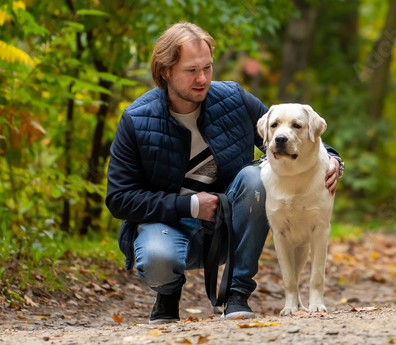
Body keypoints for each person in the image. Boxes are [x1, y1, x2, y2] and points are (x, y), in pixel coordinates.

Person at [105, 22, 344, 324]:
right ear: (165, 71)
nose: (202, 78)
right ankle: (168, 293)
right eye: (191, 70)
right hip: (167, 226)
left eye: (208, 67)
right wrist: (191, 206)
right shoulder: (136, 120)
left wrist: (333, 157)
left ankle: (237, 292)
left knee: (257, 178)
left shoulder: (232, 99)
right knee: (158, 261)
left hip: (226, 229)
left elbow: (288, 131)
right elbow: (119, 199)